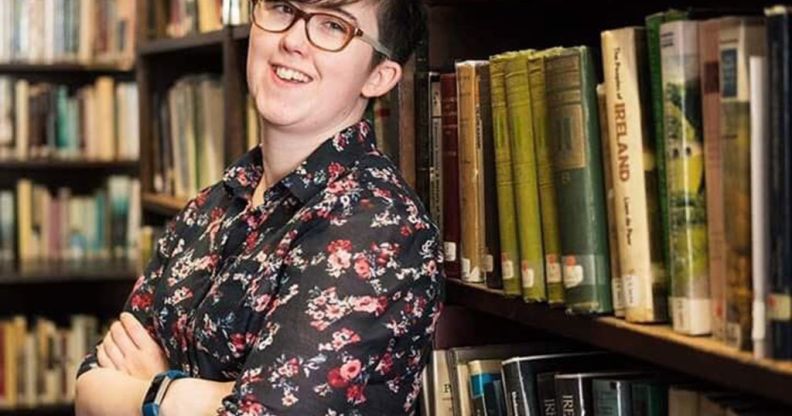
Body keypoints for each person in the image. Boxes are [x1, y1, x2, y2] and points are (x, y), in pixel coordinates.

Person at [74, 0, 443, 414]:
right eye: (283, 8)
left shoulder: (381, 229)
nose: (292, 41)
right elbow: (90, 383)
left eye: (333, 26)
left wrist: (156, 392)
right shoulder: (214, 203)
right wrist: (198, 399)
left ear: (379, 76)